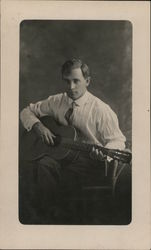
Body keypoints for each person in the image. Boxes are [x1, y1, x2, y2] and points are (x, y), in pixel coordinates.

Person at [20, 58, 129, 224]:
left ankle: (63, 221)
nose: (71, 88)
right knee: (39, 164)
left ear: (87, 81)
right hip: (60, 157)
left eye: (76, 81)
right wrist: (37, 126)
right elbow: (26, 111)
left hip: (90, 162)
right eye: (67, 81)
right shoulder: (56, 101)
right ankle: (46, 219)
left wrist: (104, 154)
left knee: (56, 175)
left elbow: (118, 141)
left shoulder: (101, 109)